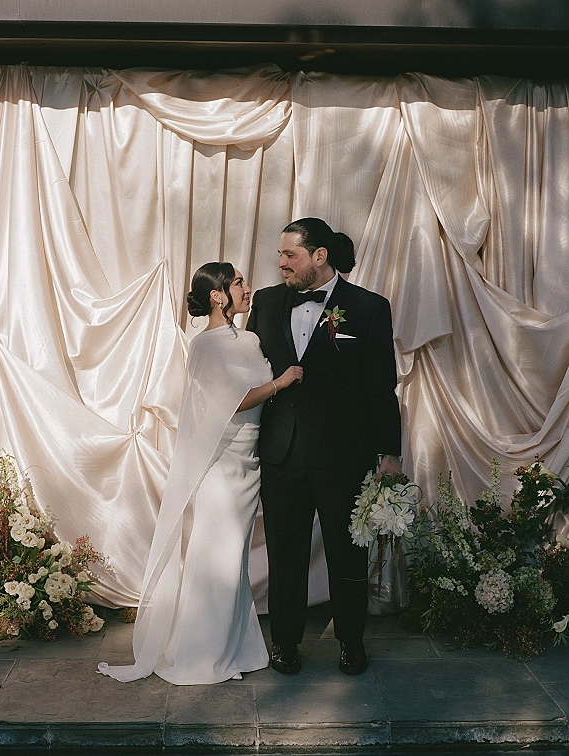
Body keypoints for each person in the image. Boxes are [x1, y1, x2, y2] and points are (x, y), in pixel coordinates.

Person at [98, 262, 302, 685]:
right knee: (219, 559)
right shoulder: (205, 345)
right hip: (221, 466)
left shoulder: (248, 339)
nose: (249, 288)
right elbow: (235, 400)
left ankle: (234, 648)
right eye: (241, 282)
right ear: (218, 295)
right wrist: (282, 382)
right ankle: (201, 655)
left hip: (249, 462)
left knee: (234, 560)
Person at [246, 217, 402, 676]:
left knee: (347, 555)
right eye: (278, 255)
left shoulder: (369, 308)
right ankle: (286, 644)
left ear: (320, 256)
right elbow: (250, 372)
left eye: (289, 255)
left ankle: (352, 642)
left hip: (343, 456)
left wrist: (389, 454)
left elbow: (380, 387)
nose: (280, 264)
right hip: (282, 454)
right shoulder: (267, 303)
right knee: (285, 554)